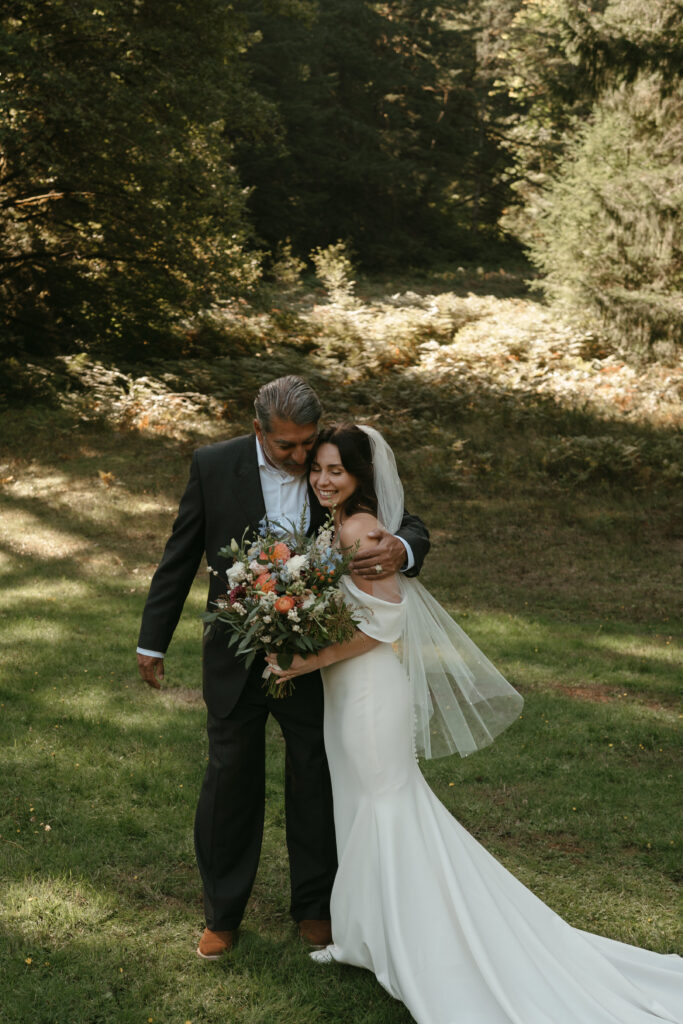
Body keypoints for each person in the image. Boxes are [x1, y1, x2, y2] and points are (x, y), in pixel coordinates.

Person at [266, 423, 683, 1024]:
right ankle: (362, 938)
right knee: (358, 807)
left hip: (369, 691)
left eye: (336, 470)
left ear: (359, 476)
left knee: (386, 807)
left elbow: (386, 622)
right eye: (318, 469)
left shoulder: (360, 529)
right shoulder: (334, 526)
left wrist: (304, 660)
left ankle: (411, 944)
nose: (324, 479)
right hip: (344, 692)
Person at [136, 377, 430, 960]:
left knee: (316, 779)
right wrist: (153, 641)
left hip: (317, 661)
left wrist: (401, 546)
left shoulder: (333, 464)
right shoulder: (212, 465)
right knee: (229, 783)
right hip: (234, 657)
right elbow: (180, 554)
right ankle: (222, 914)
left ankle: (316, 907)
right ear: (258, 431)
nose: (302, 460)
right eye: (286, 448)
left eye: (307, 444)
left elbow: (402, 517)